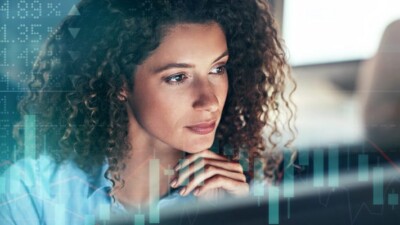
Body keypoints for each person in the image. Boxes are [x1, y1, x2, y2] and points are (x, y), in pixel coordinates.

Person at [0, 0, 295, 224]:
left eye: (217, 69)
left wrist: (238, 216)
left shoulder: (246, 193)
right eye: (178, 77)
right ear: (120, 84)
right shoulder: (31, 192)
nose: (209, 101)